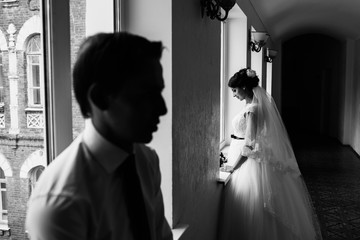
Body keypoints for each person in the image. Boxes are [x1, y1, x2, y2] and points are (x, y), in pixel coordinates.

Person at [26, 32, 173, 240]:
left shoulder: (146, 161)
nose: (162, 108)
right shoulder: (61, 201)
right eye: (146, 95)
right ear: (100, 98)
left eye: (159, 92)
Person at [219, 68, 322, 240]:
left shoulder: (252, 109)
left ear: (244, 87)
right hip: (247, 159)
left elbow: (249, 146)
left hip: (245, 164)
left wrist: (233, 167)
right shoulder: (257, 107)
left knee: (251, 208)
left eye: (235, 90)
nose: (234, 95)